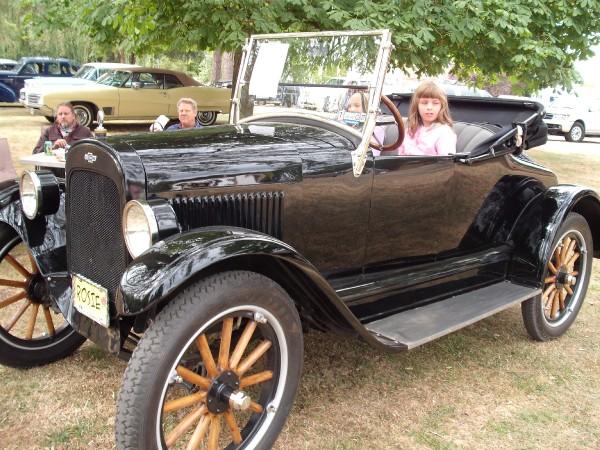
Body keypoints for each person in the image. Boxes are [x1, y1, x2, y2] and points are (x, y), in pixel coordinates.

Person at [396, 80, 456, 156]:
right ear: (416, 105)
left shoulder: (444, 133)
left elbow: (446, 164)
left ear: (442, 106)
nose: (429, 107)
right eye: (424, 103)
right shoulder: (410, 130)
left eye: (435, 103)